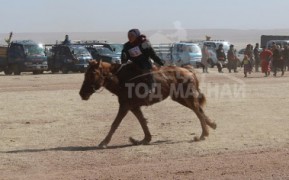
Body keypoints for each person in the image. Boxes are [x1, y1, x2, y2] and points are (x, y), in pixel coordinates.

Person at [121, 29, 164, 93]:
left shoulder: (144, 43)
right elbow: (124, 56)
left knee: (146, 70)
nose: (130, 37)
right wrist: (123, 61)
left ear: (137, 36)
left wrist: (160, 62)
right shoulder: (127, 46)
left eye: (132, 35)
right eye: (128, 36)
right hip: (134, 63)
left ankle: (151, 87)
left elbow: (152, 54)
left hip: (145, 63)